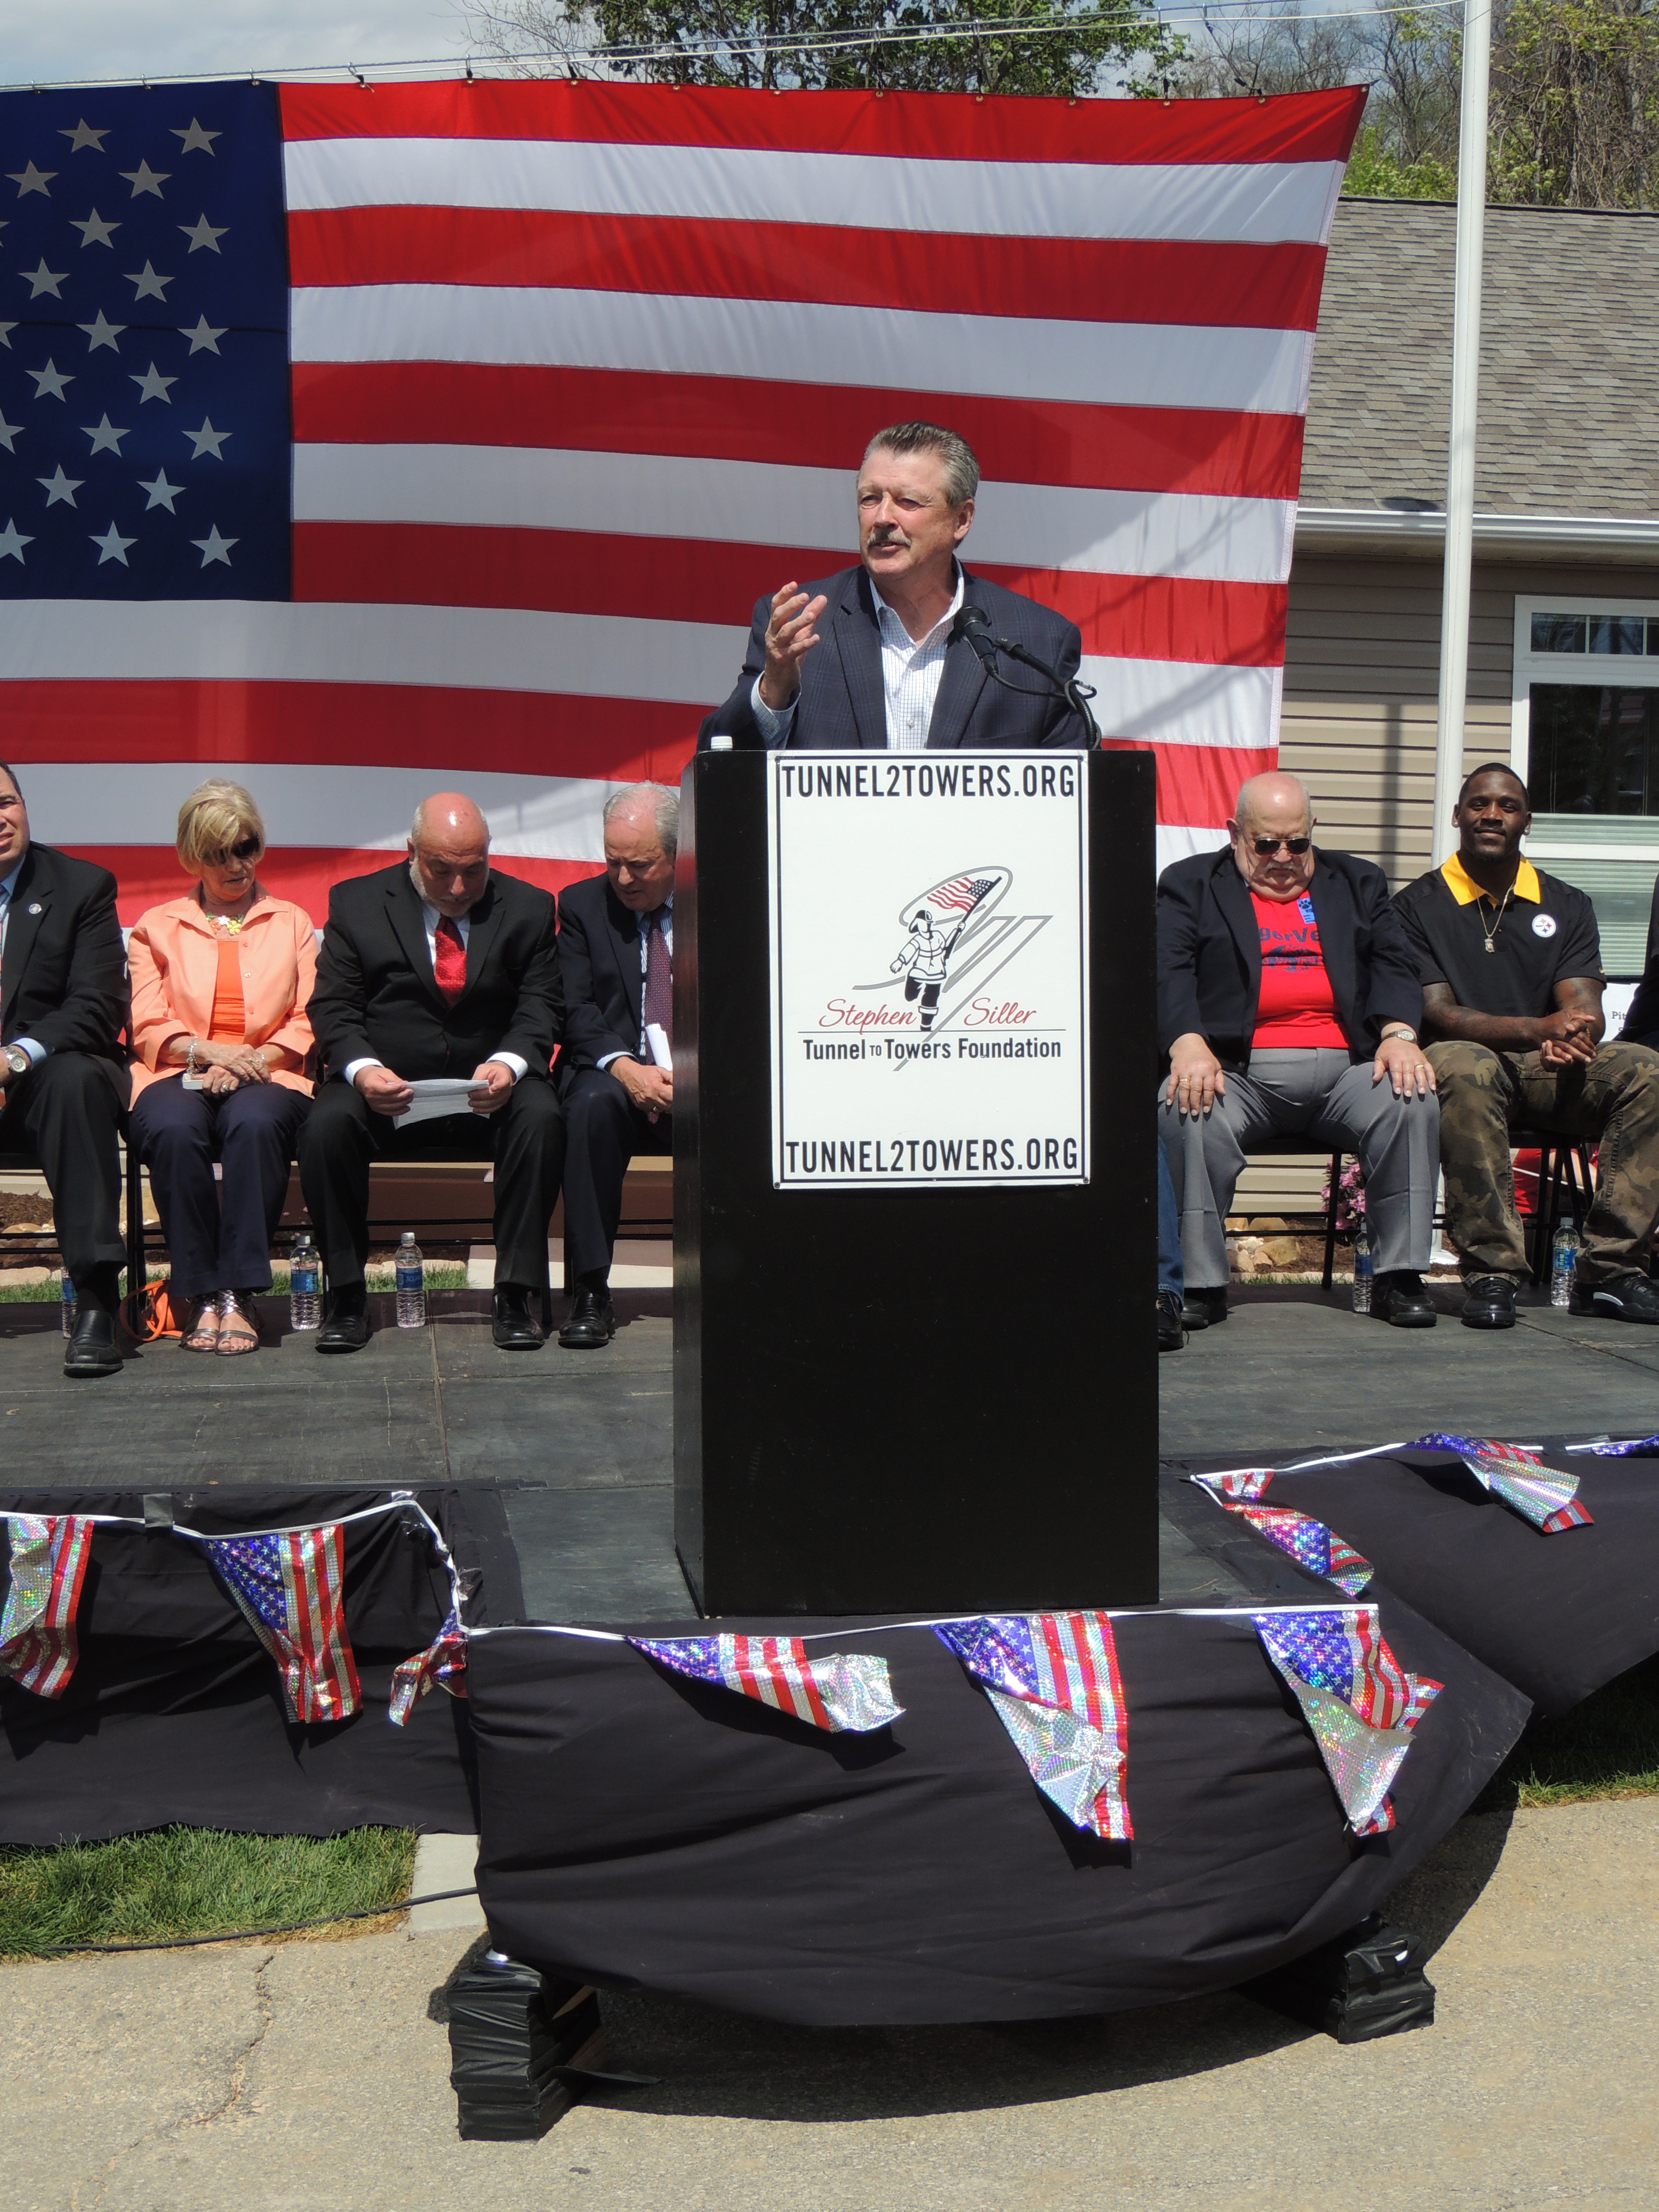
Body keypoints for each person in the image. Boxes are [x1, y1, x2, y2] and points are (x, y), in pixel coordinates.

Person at [1157, 771, 1441, 1330]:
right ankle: (1200, 1283)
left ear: (1314, 832)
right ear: (1235, 834)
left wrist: (1399, 1034)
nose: (1283, 856)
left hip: (1348, 1071)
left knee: (1412, 1097)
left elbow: (1396, 964)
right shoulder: (1191, 883)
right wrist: (1187, 1041)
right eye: (1266, 844)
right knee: (1185, 1105)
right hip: (1238, 1071)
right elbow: (1168, 967)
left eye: (1298, 842)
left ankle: (1398, 1278)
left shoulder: (1357, 881)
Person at [1394, 762, 1659, 1328]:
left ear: (1527, 822)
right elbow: (1438, 1012)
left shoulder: (1566, 903)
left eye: (1508, 806)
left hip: (1547, 1068)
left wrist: (1575, 1032)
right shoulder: (1417, 906)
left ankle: (1609, 1271)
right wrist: (1538, 1028)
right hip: (1464, 1060)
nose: (1493, 815)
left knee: (1647, 1070)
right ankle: (1493, 1271)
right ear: (1458, 815)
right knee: (1464, 1068)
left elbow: (1581, 1001)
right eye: (1481, 804)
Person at [300, 793, 565, 1353]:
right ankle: (346, 1295)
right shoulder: (356, 904)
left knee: (541, 1114)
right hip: (386, 1093)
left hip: (487, 1092)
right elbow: (333, 1008)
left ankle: (515, 1293)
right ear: (412, 853)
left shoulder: (529, 908)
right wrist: (365, 1070)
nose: (459, 888)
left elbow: (541, 1005)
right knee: (326, 1125)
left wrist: (510, 1064)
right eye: (442, 871)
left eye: (474, 871)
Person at [697, 421, 1087, 752]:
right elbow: (720, 756)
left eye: (908, 502)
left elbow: (1076, 802)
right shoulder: (800, 625)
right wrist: (774, 694)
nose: (882, 517)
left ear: (962, 519)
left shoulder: (1038, 642)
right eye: (870, 499)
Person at [127, 783, 316, 1355]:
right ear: (193, 857)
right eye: (220, 853)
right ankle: (200, 1292)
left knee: (254, 1124)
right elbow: (146, 1021)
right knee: (172, 1128)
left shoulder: (292, 922)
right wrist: (210, 1053)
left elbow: (310, 1019)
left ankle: (238, 1291)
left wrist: (251, 1061)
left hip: (269, 1072)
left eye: (247, 846)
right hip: (179, 1069)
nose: (237, 865)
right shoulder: (155, 926)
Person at [0, 759, 130, 1378]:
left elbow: (97, 1006)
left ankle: (98, 1301)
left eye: (7, 803)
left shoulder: (81, 886)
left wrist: (13, 1058)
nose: (2, 820)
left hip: (42, 1081)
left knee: (74, 1079)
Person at [553, 783, 676, 1351]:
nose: (624, 878)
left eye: (640, 864)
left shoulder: (723, 899)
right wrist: (626, 1068)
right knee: (590, 1106)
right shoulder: (582, 906)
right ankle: (590, 1289)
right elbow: (573, 1008)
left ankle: (738, 1281)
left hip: (696, 1076)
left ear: (678, 855)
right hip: (615, 1074)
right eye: (613, 862)